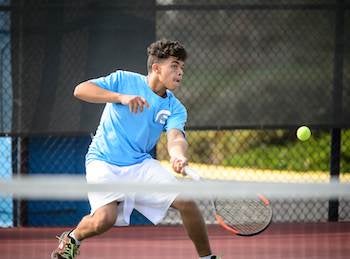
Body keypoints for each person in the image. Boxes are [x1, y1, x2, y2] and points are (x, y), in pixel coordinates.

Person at [51, 39, 220, 259]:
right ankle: (73, 238)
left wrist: (178, 155)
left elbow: (175, 137)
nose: (180, 72)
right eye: (175, 65)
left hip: (140, 164)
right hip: (103, 161)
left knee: (187, 201)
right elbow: (80, 90)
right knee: (104, 220)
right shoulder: (124, 80)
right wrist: (119, 96)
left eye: (182, 68)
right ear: (157, 68)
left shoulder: (175, 107)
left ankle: (207, 258)